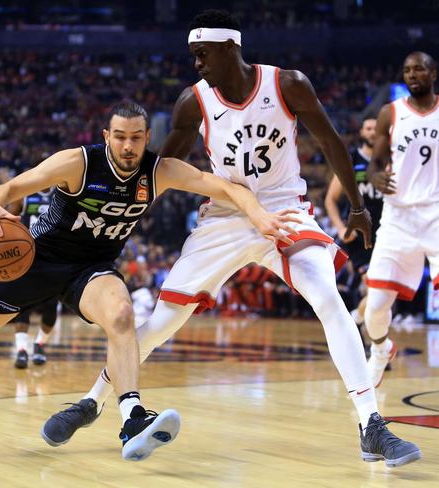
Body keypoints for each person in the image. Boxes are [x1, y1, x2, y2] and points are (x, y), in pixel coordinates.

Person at [42, 11, 422, 468]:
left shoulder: (287, 84)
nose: (196, 63)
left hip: (284, 210)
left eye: (203, 54)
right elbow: (164, 170)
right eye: (193, 55)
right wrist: (127, 214)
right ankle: (93, 401)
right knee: (162, 323)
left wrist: (358, 208)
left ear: (229, 49)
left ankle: (370, 424)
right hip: (223, 215)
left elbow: (331, 142)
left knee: (328, 298)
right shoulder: (192, 101)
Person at [0, 101, 298, 461]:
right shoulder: (77, 162)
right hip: (38, 260)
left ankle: (132, 416)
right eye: (120, 137)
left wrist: (259, 217)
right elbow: (7, 188)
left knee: (121, 312)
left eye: (137, 137)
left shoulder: (159, 171)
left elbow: (224, 187)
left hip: (90, 269)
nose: (129, 146)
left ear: (146, 137)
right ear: (106, 136)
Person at [364, 51, 439, 388]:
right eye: (407, 70)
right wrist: (376, 176)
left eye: (419, 68)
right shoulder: (389, 113)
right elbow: (374, 164)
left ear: (433, 73)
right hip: (398, 219)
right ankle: (381, 350)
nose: (412, 74)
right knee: (375, 308)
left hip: (436, 214)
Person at [324, 117, 382, 333]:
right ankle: (374, 344)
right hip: (360, 237)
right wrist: (340, 227)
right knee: (376, 289)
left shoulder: (390, 160)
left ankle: (354, 321)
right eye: (368, 128)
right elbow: (330, 199)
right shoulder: (351, 160)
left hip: (385, 233)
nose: (373, 132)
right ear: (361, 132)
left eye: (377, 128)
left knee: (382, 294)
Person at [8, 188, 58, 369]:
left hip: (55, 256)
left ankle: (39, 344)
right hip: (27, 256)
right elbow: (7, 220)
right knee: (22, 306)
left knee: (51, 307)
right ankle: (21, 350)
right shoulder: (26, 194)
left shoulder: (62, 192)